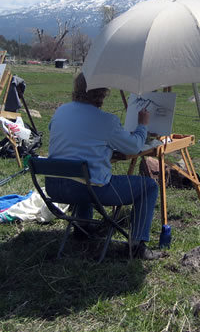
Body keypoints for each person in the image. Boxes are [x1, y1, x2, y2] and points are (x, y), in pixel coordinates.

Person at [48, 73, 162, 260]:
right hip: (89, 189)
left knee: (83, 173)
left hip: (55, 186)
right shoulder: (106, 120)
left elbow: (70, 140)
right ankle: (137, 246)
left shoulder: (61, 111)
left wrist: (102, 149)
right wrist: (142, 126)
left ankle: (81, 229)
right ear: (101, 93)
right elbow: (134, 146)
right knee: (149, 187)